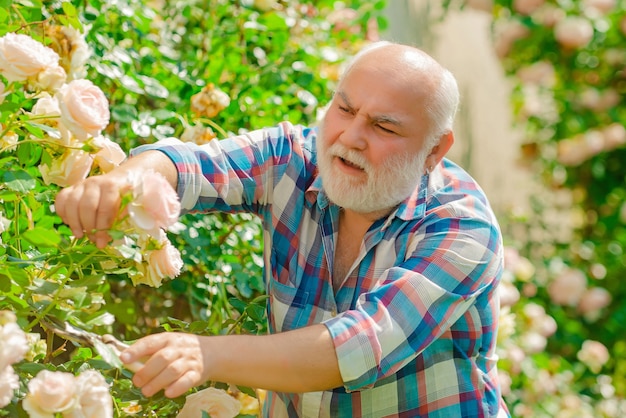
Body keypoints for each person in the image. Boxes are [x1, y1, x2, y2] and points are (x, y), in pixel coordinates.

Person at [55, 41, 510, 417]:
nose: (350, 136)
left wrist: (207, 353)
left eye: (383, 127)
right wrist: (123, 181)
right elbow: (187, 165)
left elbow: (355, 348)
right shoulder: (295, 158)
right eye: (345, 109)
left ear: (435, 149)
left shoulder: (462, 228)